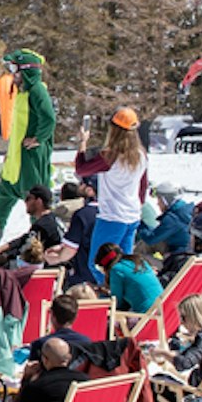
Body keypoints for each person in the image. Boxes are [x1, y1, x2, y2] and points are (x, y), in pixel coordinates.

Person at [0, 48, 55, 242]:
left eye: (15, 69)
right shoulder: (23, 93)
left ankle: (40, 238)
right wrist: (11, 152)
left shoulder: (37, 90)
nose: (12, 75)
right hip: (17, 157)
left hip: (31, 158)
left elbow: (49, 118)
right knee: (5, 192)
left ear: (27, 70)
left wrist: (38, 138)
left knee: (34, 198)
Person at [74, 109, 150, 284]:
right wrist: (138, 204)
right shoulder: (141, 155)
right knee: (125, 265)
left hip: (112, 217)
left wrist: (82, 143)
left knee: (98, 264)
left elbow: (81, 169)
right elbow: (143, 185)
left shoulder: (111, 155)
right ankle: (124, 295)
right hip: (132, 215)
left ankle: (109, 294)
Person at [6, 338, 87, 402]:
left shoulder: (39, 385)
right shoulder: (86, 381)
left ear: (44, 359)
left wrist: (26, 379)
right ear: (69, 357)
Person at [0, 185, 67, 269]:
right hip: (61, 266)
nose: (25, 202)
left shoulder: (41, 225)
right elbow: (24, 239)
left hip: (51, 269)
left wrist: (4, 257)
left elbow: (25, 250)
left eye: (28, 198)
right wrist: (1, 249)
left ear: (39, 201)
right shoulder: (54, 218)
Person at [101, 244, 164, 314]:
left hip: (148, 314)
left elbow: (117, 302)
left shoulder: (116, 269)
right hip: (164, 306)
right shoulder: (139, 260)